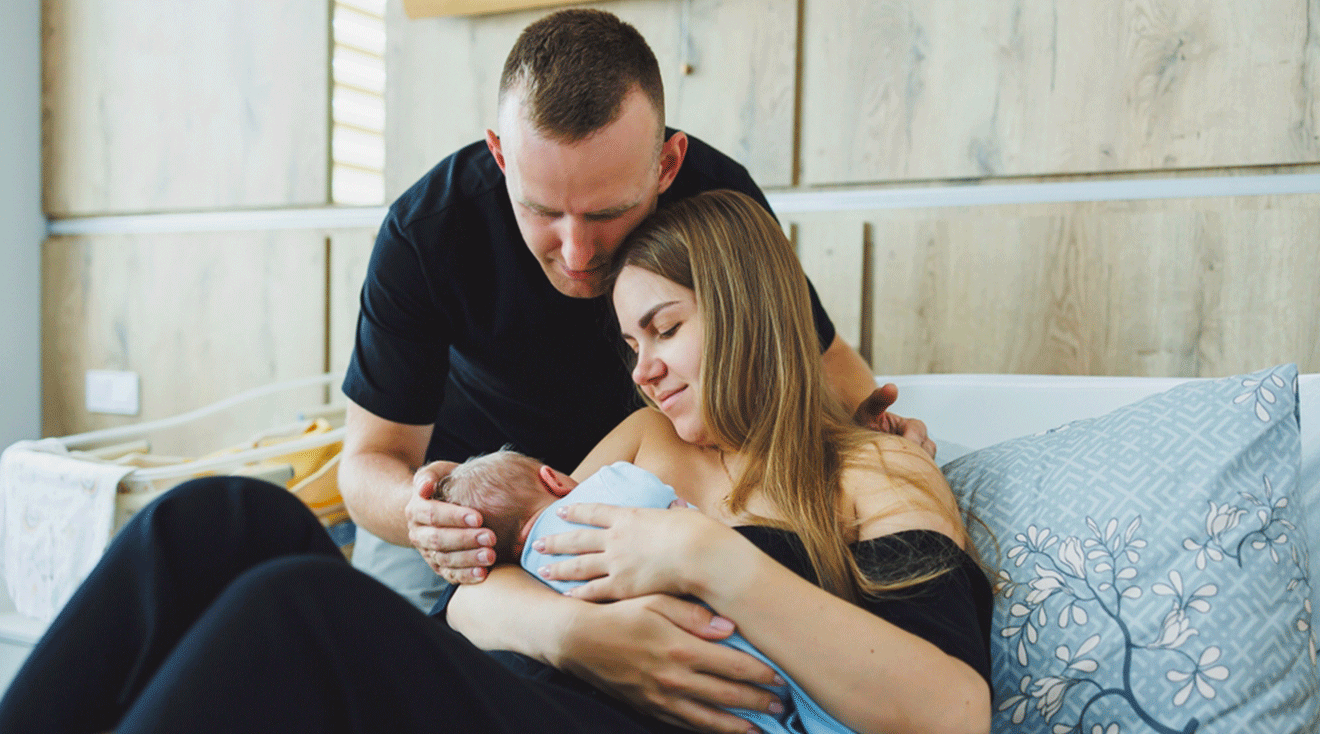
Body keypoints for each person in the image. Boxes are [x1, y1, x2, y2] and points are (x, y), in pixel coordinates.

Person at [0, 189, 990, 734]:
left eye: (665, 328)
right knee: (219, 518)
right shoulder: (650, 440)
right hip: (535, 681)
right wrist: (578, 632)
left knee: (299, 607)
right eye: (629, 343)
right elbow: (474, 596)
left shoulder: (875, 474)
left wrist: (708, 556)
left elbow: (949, 710)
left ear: (749, 313)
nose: (642, 370)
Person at [337, 8, 933, 621]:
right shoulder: (426, 232)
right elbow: (367, 460)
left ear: (667, 165)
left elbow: (812, 353)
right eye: (542, 211)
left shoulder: (718, 203)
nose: (576, 254)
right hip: (477, 495)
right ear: (500, 156)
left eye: (605, 214)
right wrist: (426, 516)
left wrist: (870, 439)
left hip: (653, 487)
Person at [437, 448, 879, 734]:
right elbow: (665, 503)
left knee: (751, 711)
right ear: (553, 479)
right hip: (733, 629)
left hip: (692, 687)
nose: (644, 369)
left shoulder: (534, 574)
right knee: (796, 686)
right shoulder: (606, 485)